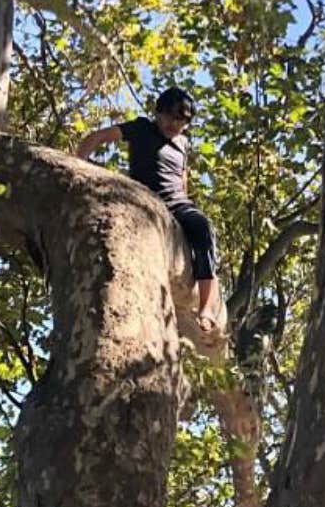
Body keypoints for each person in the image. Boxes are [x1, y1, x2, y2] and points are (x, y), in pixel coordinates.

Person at [76, 87, 220, 334]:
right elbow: (97, 137)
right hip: (143, 199)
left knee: (202, 228)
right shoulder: (141, 128)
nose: (174, 124)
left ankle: (206, 308)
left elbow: (182, 178)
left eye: (182, 120)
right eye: (170, 116)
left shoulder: (184, 143)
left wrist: (185, 205)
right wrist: (77, 165)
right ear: (158, 113)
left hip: (177, 204)